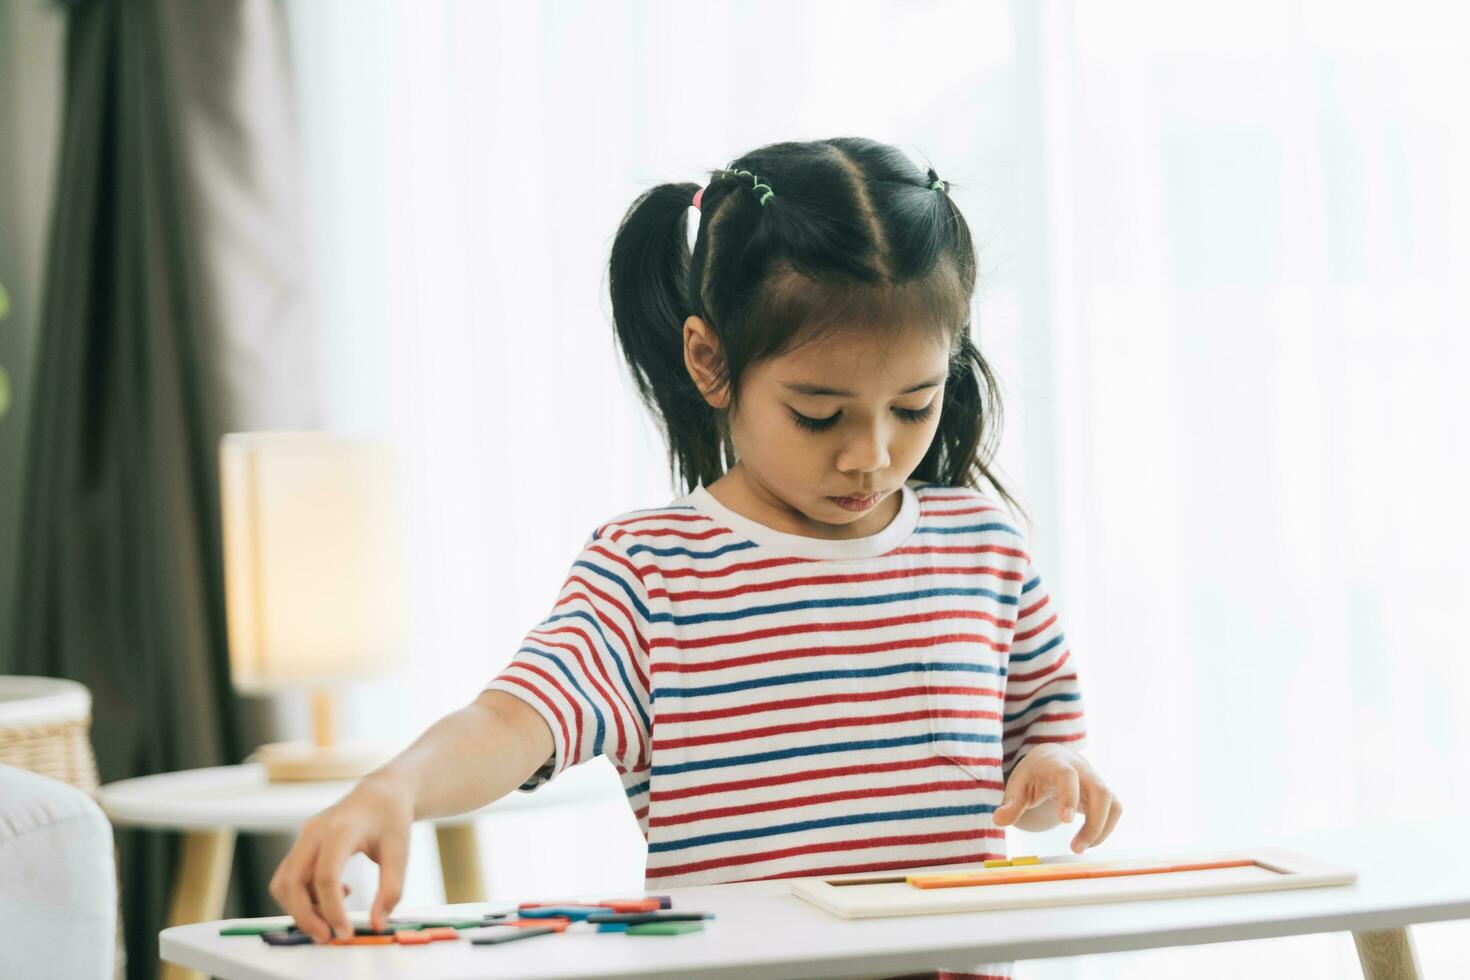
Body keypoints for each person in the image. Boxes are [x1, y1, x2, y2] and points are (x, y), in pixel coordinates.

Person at [269, 137, 1121, 979]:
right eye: (819, 414)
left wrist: (1054, 775)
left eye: (913, 404)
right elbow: (511, 722)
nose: (871, 454)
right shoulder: (651, 574)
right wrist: (398, 788)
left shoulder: (985, 551)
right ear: (710, 361)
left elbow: (1040, 767)